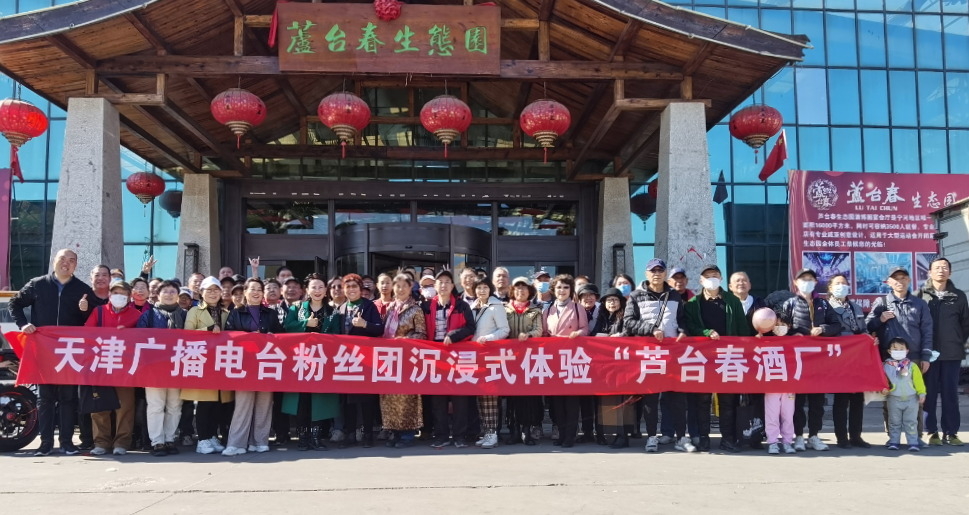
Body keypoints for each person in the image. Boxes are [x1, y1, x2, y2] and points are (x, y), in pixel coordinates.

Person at [9, 249, 96, 456]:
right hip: (44, 349)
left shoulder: (83, 290)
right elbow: (15, 303)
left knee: (68, 398)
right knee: (45, 398)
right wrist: (23, 324)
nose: (66, 263)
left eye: (71, 260)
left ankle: (67, 442)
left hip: (69, 352)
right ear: (54, 261)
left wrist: (86, 309)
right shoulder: (38, 284)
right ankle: (45, 443)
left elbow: (92, 321)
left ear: (75, 265)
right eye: (62, 259)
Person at [624, 259, 691, 453]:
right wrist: (651, 329)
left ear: (665, 274)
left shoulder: (674, 295)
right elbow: (628, 322)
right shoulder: (636, 296)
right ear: (646, 274)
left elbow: (681, 319)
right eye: (652, 271)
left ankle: (681, 437)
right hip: (649, 352)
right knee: (650, 398)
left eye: (660, 270)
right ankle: (652, 437)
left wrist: (682, 331)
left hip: (673, 353)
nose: (656, 274)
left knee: (678, 397)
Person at [684, 264, 751, 453]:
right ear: (701, 280)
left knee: (727, 400)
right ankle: (704, 439)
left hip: (728, 357)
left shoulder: (732, 301)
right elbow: (690, 326)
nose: (711, 279)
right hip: (702, 358)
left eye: (715, 275)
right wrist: (706, 332)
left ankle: (727, 439)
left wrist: (746, 349)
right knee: (702, 401)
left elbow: (742, 328)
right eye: (707, 276)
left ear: (721, 279)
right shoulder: (693, 303)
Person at [866, 266, 933, 443]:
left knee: (915, 398)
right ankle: (892, 437)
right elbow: (867, 326)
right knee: (889, 397)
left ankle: (916, 437)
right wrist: (880, 319)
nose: (900, 281)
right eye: (896, 278)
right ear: (889, 282)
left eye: (903, 278)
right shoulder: (882, 302)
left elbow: (927, 331)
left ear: (909, 281)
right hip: (888, 359)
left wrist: (926, 356)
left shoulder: (919, 304)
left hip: (914, 357)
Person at [777, 268, 838, 452]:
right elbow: (780, 329)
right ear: (796, 283)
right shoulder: (789, 304)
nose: (806, 282)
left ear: (816, 282)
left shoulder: (823, 304)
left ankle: (814, 435)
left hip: (818, 361)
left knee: (817, 401)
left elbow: (836, 326)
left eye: (810, 279)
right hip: (797, 361)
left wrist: (823, 329)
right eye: (803, 279)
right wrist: (792, 334)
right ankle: (798, 436)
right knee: (797, 401)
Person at [224, 278, 284, 456]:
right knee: (243, 404)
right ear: (245, 292)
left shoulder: (270, 313)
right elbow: (228, 336)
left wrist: (273, 336)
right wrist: (247, 337)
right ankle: (236, 443)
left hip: (266, 363)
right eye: (252, 289)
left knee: (264, 404)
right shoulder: (236, 313)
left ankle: (259, 441)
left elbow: (282, 336)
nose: (256, 292)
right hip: (244, 364)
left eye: (259, 289)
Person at [916, 256, 969, 446]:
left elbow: (965, 324)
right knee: (928, 394)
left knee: (950, 395)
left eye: (945, 267)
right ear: (929, 272)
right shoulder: (919, 295)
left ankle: (951, 432)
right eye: (937, 267)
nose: (941, 270)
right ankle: (931, 432)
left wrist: (956, 341)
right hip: (927, 355)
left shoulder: (959, 296)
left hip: (951, 353)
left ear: (950, 272)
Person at [83, 281, 140, 456]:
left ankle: (122, 442)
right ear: (109, 295)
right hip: (101, 367)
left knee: (125, 407)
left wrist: (129, 333)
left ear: (129, 297)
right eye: (115, 293)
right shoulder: (99, 312)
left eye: (123, 293)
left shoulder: (136, 315)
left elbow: (144, 339)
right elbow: (86, 334)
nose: (118, 296)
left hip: (125, 368)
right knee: (100, 406)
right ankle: (101, 442)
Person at [283, 273, 338, 451]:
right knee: (303, 401)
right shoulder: (296, 308)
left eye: (321, 287)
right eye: (314, 287)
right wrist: (306, 323)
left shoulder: (332, 311)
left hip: (322, 361)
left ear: (326, 290)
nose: (317, 290)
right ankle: (303, 437)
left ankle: (316, 437)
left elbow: (337, 335)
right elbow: (287, 327)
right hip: (300, 362)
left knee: (319, 401)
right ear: (307, 290)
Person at [422, 270, 476, 449]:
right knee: (438, 400)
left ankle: (460, 436)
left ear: (453, 286)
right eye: (440, 282)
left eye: (447, 282)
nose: (443, 285)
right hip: (435, 358)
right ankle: (441, 435)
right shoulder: (426, 306)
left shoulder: (462, 306)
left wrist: (454, 335)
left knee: (460, 399)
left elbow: (470, 328)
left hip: (457, 357)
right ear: (435, 286)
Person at [136, 280, 187, 457]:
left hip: (178, 367)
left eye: (173, 291)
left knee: (174, 406)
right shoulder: (149, 315)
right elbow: (138, 340)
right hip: (154, 369)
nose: (169, 294)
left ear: (178, 295)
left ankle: (170, 439)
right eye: (165, 291)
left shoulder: (186, 315)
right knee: (155, 406)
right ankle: (157, 442)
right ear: (158, 295)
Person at [182, 277, 232, 455]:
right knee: (204, 403)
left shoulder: (226, 312)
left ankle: (211, 436)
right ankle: (202, 439)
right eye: (208, 290)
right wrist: (207, 331)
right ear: (201, 293)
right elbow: (187, 334)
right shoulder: (194, 311)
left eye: (216, 290)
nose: (212, 293)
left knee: (217, 403)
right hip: (202, 362)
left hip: (221, 363)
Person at [334, 274, 384, 448]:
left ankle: (368, 434)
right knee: (348, 401)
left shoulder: (369, 306)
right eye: (348, 287)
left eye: (354, 286)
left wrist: (365, 325)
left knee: (367, 399)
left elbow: (380, 329)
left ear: (360, 289)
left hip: (365, 360)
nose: (351, 290)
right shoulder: (341, 308)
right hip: (345, 360)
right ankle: (350, 435)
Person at [380, 273, 428, 449]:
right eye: (397, 286)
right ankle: (394, 431)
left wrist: (405, 340)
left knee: (407, 396)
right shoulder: (390, 308)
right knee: (390, 396)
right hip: (390, 359)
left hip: (408, 359)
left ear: (410, 288)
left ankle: (407, 434)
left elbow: (422, 334)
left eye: (404, 286)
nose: (400, 289)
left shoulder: (415, 309)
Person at [542, 274, 589, 448]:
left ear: (571, 290)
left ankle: (570, 436)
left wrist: (578, 333)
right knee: (557, 401)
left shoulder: (577, 308)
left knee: (571, 401)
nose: (562, 290)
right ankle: (561, 434)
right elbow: (544, 333)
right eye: (559, 287)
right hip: (554, 358)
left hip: (572, 357)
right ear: (553, 290)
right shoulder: (548, 310)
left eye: (566, 287)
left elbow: (585, 328)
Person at [826, 274, 871, 449]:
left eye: (844, 283)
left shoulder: (855, 307)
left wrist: (868, 338)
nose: (841, 286)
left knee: (857, 398)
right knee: (841, 399)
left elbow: (863, 329)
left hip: (856, 357)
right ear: (830, 288)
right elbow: (826, 329)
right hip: (838, 358)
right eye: (837, 283)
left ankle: (856, 436)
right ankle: (842, 437)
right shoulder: (826, 306)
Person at [469, 277, 510, 449]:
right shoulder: (473, 307)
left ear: (490, 289)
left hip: (490, 355)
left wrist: (489, 338)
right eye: (479, 288)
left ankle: (493, 433)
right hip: (476, 356)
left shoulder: (496, 306)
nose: (482, 291)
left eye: (485, 287)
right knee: (481, 397)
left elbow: (505, 330)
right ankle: (486, 432)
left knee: (490, 396)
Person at [593, 288, 636, 449]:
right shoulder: (602, 317)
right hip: (606, 366)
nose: (612, 303)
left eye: (615, 300)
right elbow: (593, 334)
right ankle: (608, 433)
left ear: (621, 302)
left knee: (623, 401)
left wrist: (620, 336)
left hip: (623, 366)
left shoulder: (626, 316)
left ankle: (623, 435)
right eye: (609, 300)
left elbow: (631, 331)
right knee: (608, 400)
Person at [505, 277, 545, 446]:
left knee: (528, 397)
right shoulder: (504, 310)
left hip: (529, 358)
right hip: (509, 358)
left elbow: (539, 330)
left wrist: (528, 335)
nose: (520, 291)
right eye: (517, 288)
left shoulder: (535, 310)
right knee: (512, 397)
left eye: (524, 288)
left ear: (530, 292)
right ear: (512, 291)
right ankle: (513, 430)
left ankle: (526, 431)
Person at [882, 338, 927, 452]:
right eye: (895, 349)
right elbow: (883, 381)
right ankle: (894, 441)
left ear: (907, 351)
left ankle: (913, 442)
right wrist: (883, 389)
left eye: (901, 349)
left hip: (911, 399)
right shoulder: (886, 366)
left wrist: (921, 393)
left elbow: (918, 381)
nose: (898, 351)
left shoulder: (912, 366)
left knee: (911, 422)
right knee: (894, 422)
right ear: (889, 351)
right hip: (893, 399)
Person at [575, 282, 602, 444]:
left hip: (600, 360)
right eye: (584, 295)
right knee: (584, 398)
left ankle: (601, 431)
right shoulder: (574, 311)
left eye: (591, 295)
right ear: (579, 299)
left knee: (599, 399)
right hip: (580, 359)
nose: (588, 298)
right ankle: (587, 432)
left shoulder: (603, 310)